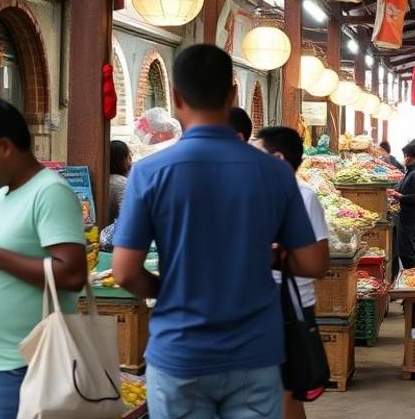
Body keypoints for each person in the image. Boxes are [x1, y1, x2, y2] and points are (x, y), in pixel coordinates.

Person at [113, 44, 327, 419]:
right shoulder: (275, 172)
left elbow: (125, 272)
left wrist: (168, 289)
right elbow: (313, 263)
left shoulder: (148, 173)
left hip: (180, 349)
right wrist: (271, 257)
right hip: (256, 351)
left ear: (176, 98)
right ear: (232, 94)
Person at [0, 98, 88, 419]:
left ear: (5, 147)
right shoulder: (0, 199)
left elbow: (72, 275)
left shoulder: (50, 192)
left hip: (28, 368)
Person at [254, 127, 330, 419]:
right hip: (260, 302)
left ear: (277, 159)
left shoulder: (304, 196)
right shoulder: (253, 193)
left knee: (285, 391)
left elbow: (318, 264)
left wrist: (274, 258)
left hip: (288, 304)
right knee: (283, 393)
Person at [389, 144, 415, 269]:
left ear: (409, 157)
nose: (403, 159)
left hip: (410, 218)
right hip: (405, 216)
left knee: (408, 252)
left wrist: (400, 197)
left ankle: (412, 275)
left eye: (404, 156)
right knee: (404, 250)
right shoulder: (412, 171)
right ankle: (410, 274)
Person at [108, 139, 132, 224]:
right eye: (129, 157)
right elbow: (128, 215)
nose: (131, 162)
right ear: (122, 161)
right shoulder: (121, 182)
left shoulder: (105, 180)